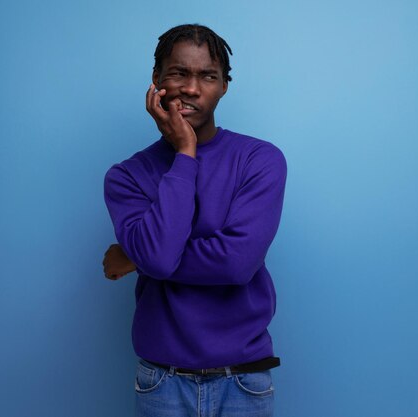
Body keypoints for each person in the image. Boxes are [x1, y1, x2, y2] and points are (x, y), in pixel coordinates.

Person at [102, 23, 287, 417]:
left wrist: (137, 257)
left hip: (244, 381)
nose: (191, 87)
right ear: (157, 81)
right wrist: (185, 152)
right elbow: (159, 257)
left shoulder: (260, 160)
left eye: (207, 76)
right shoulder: (127, 176)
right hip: (162, 381)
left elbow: (237, 263)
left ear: (224, 86)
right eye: (179, 73)